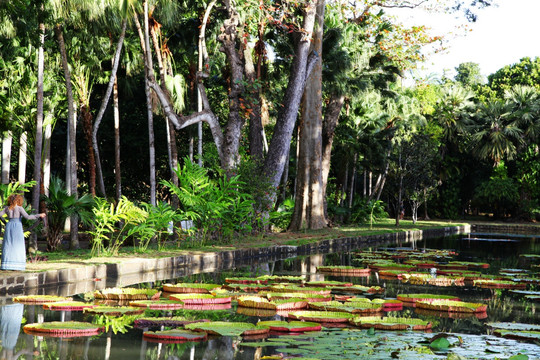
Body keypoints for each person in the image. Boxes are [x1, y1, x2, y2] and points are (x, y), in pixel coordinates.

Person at [0, 194, 45, 271]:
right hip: (17, 226)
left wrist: (5, 222)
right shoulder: (19, 208)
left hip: (9, 226)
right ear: (19, 200)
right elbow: (28, 217)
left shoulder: (7, 208)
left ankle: (6, 264)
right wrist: (39, 215)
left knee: (8, 244)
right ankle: (17, 265)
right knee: (18, 244)